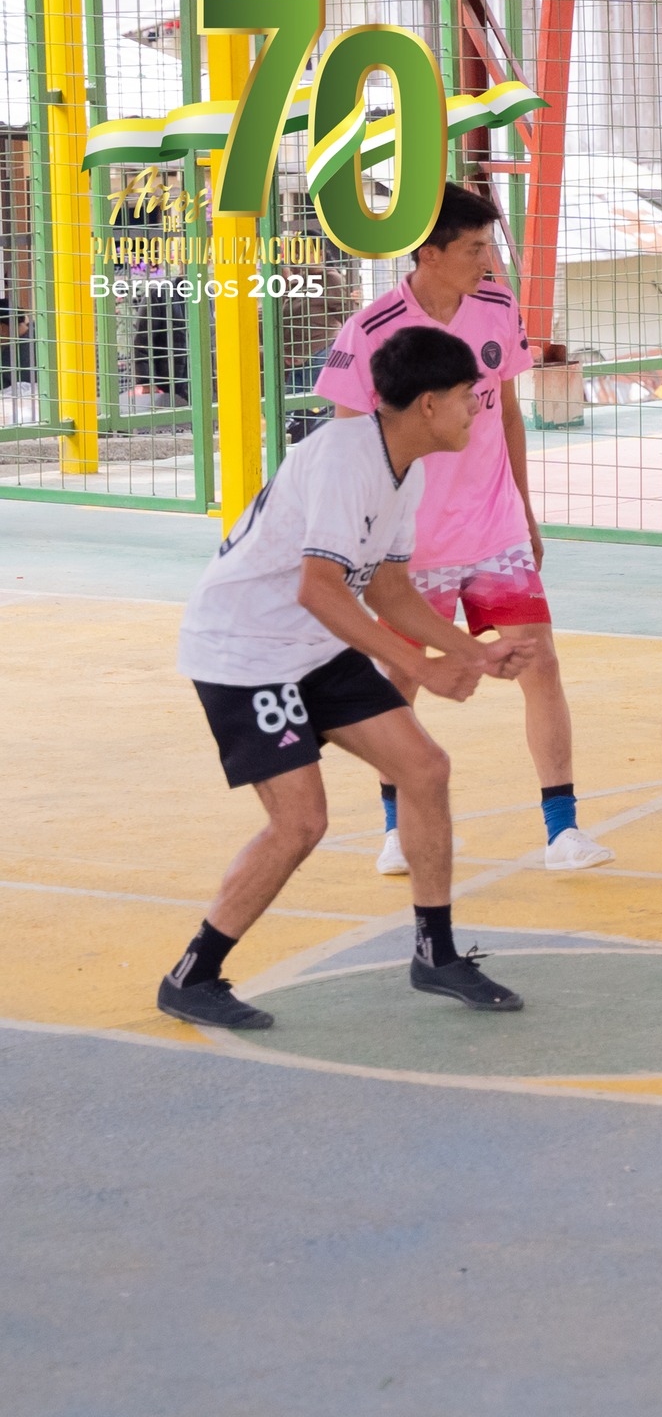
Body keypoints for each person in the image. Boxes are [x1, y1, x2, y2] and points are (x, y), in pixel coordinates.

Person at [160, 327, 534, 1028]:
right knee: (301, 822)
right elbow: (320, 589)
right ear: (428, 403)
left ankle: (435, 954)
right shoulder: (344, 459)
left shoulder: (406, 469)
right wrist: (420, 668)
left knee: (424, 767)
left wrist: (470, 653)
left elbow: (388, 590)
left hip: (311, 645)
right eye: (467, 396)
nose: (476, 410)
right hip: (244, 651)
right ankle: (194, 975)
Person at [319, 182, 614, 875]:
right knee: (401, 677)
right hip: (410, 544)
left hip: (494, 528)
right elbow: (348, 445)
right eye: (476, 248)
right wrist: (364, 536)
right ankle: (396, 831)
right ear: (430, 253)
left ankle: (563, 831)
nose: (489, 259)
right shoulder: (371, 330)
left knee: (539, 662)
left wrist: (525, 509)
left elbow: (507, 413)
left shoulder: (498, 308)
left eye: (489, 246)